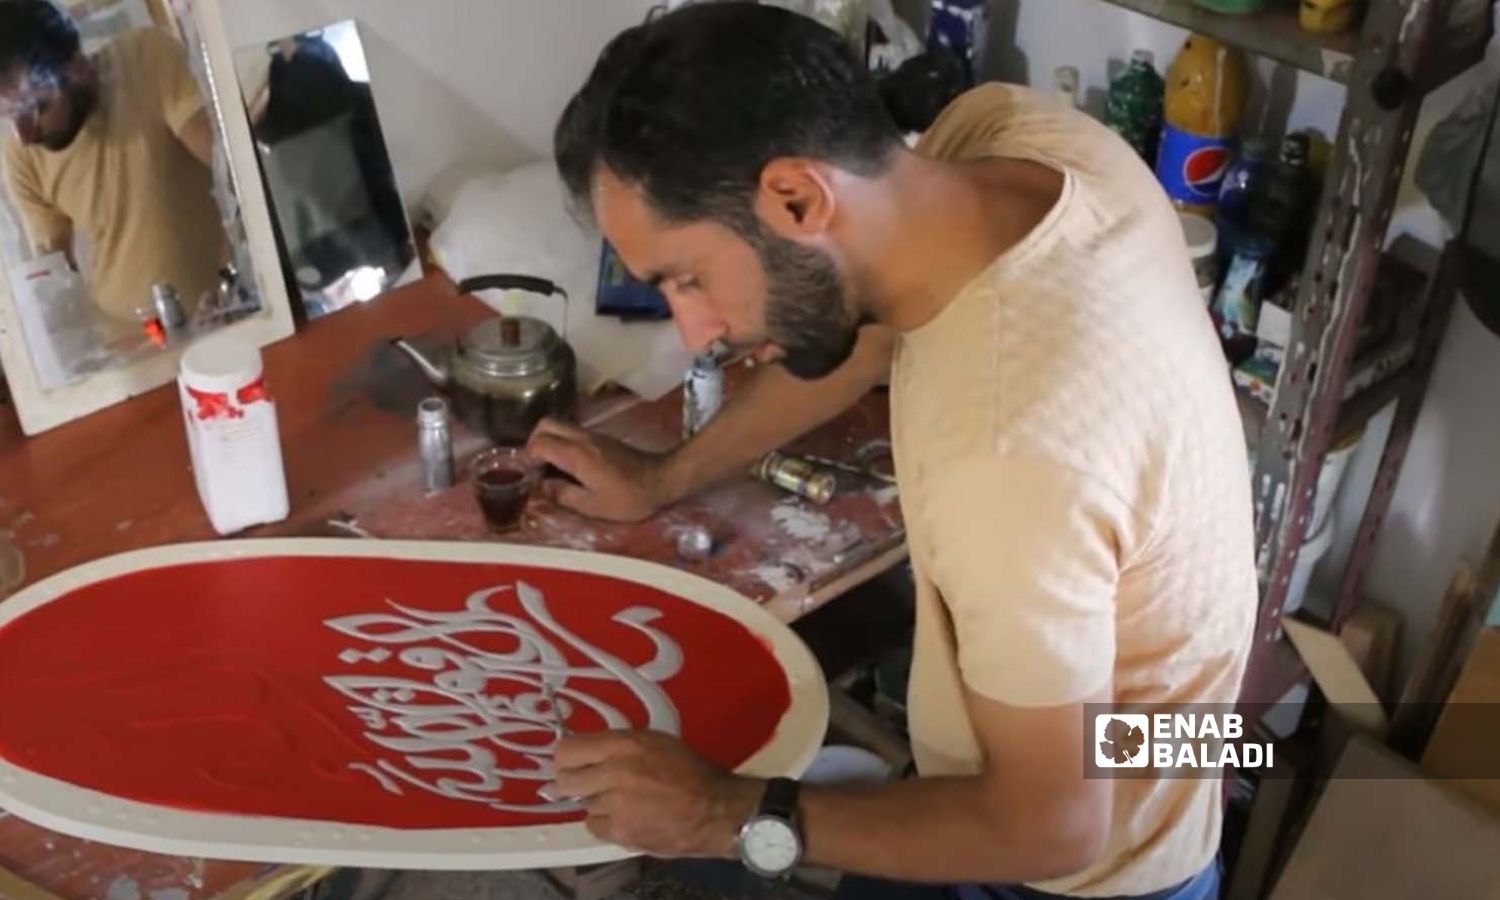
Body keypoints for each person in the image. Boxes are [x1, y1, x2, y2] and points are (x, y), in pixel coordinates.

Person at [528, 4, 1255, 899]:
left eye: (688, 277)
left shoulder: (1008, 460)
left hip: (1082, 863)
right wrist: (663, 478)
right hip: (1112, 739)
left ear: (797, 197)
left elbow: (1052, 824)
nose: (694, 331)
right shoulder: (1008, 138)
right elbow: (866, 325)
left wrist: (720, 816)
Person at [0, 0, 224, 327]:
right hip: (127, 344)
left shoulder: (145, 58)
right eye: (7, 117)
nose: (24, 136)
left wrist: (236, 275)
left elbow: (231, 172)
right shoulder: (18, 154)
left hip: (225, 311)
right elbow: (54, 277)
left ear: (74, 67)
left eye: (33, 109)